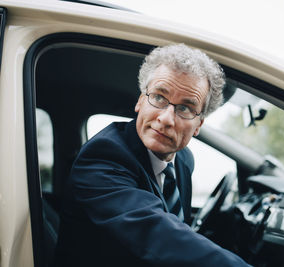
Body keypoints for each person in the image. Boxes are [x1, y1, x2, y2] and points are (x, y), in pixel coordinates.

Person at [54, 43, 251, 266]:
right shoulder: (103, 156)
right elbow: (158, 234)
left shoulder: (184, 160)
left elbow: (177, 231)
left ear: (198, 125)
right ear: (140, 101)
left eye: (185, 108)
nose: (166, 118)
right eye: (159, 97)